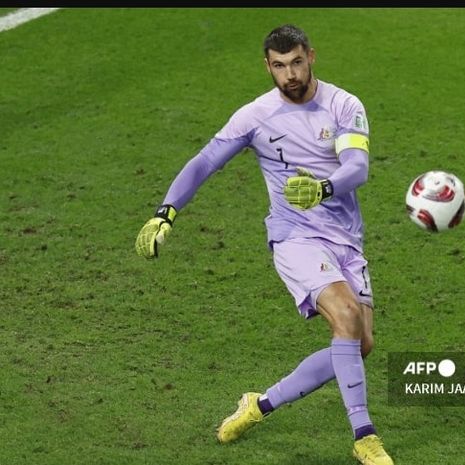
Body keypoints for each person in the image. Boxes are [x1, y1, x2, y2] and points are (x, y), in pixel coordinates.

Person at [134, 24, 394, 465]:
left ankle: (259, 404)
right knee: (346, 316)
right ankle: (365, 437)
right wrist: (166, 212)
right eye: (279, 66)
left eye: (296, 62)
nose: (289, 74)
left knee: (358, 344)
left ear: (311, 56)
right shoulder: (255, 116)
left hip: (345, 238)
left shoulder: (344, 104)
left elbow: (358, 167)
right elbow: (205, 162)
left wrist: (324, 189)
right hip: (294, 237)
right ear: (267, 66)